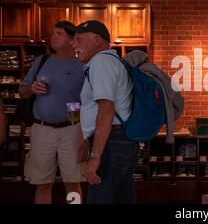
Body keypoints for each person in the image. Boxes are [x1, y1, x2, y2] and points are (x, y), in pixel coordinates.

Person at [19, 21, 85, 204]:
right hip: (42, 129)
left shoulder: (83, 65)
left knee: (73, 182)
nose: (53, 37)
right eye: (53, 33)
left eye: (59, 34)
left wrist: (85, 133)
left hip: (72, 130)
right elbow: (22, 92)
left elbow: (92, 101)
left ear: (72, 40)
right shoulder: (42, 61)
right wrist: (31, 87)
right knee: (42, 183)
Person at [71, 20, 137, 204]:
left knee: (101, 198)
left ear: (97, 40)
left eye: (78, 39)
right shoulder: (113, 61)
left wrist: (95, 157)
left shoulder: (101, 62)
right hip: (119, 141)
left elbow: (106, 109)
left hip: (111, 144)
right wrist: (87, 140)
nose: (73, 44)